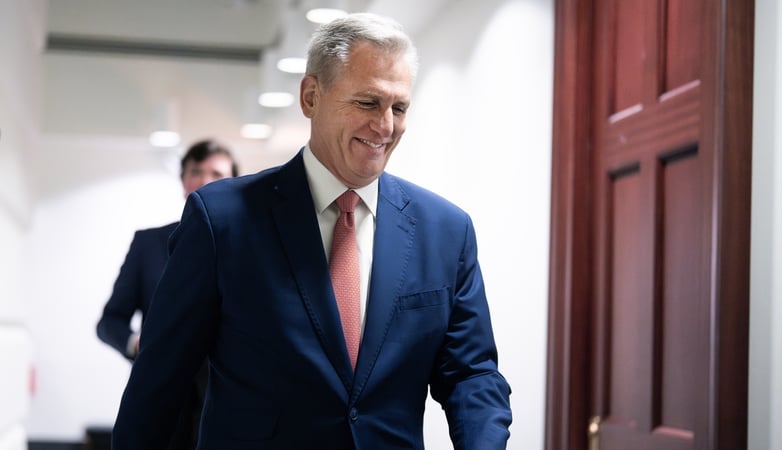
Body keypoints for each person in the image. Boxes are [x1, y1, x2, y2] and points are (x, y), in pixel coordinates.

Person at [111, 13, 511, 450]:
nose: (385, 126)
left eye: (399, 108)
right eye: (367, 102)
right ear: (310, 97)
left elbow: (472, 375)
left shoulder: (447, 231)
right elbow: (159, 378)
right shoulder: (222, 219)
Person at [97, 138, 238, 450]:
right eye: (196, 172)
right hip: (160, 399)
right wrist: (137, 343)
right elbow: (110, 321)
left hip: (228, 403)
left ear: (234, 184)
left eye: (217, 174)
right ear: (183, 181)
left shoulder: (250, 247)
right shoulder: (147, 244)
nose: (205, 181)